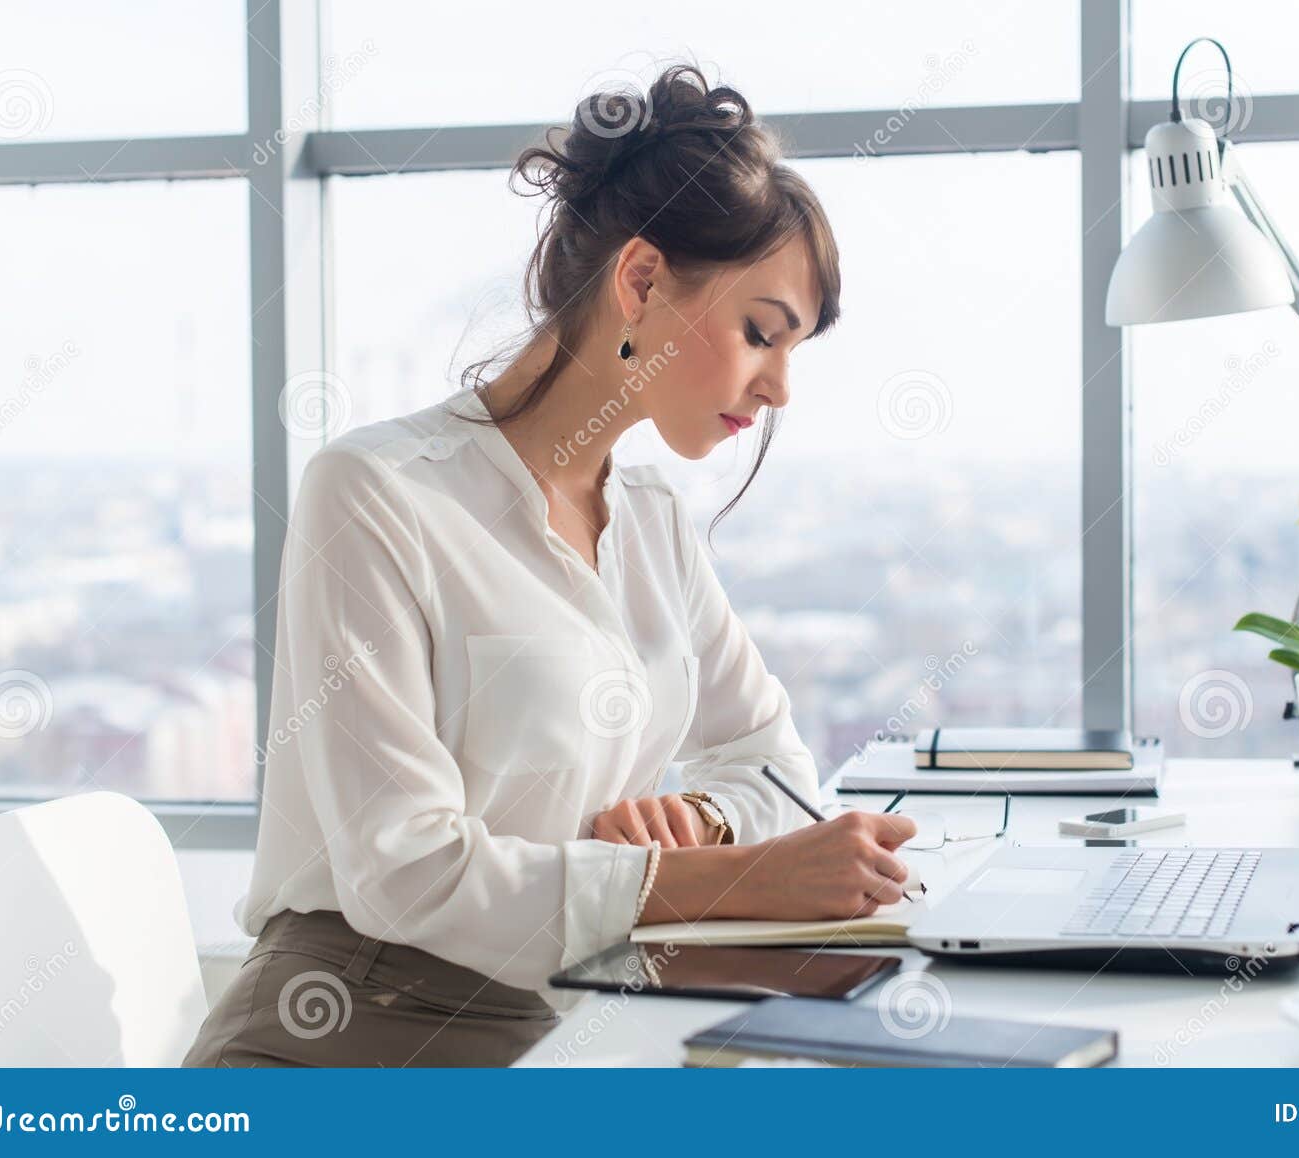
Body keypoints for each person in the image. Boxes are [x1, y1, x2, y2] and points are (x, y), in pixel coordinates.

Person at [184, 63, 915, 1068]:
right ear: (643, 280)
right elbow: (405, 872)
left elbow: (777, 769)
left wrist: (697, 817)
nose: (779, 387)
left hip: (566, 1013)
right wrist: (733, 878)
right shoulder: (375, 493)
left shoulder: (651, 522)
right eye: (760, 332)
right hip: (351, 1026)